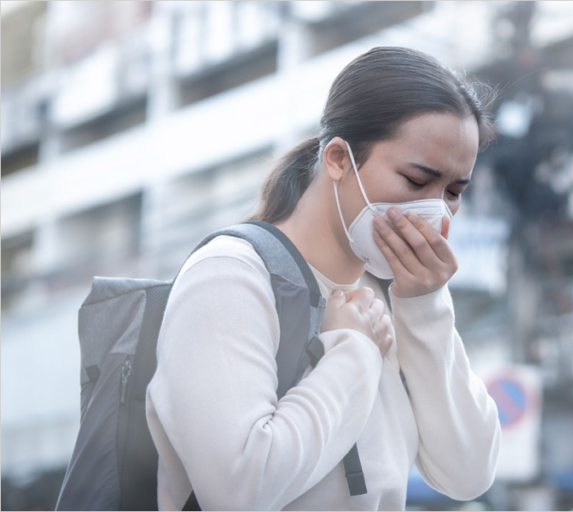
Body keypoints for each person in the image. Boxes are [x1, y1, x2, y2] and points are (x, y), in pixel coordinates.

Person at [145, 46, 502, 511]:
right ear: (337, 159)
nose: (435, 211)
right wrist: (351, 352)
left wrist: (425, 305)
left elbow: (467, 473)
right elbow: (240, 493)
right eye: (417, 181)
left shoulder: (394, 302)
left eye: (454, 191)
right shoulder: (230, 276)